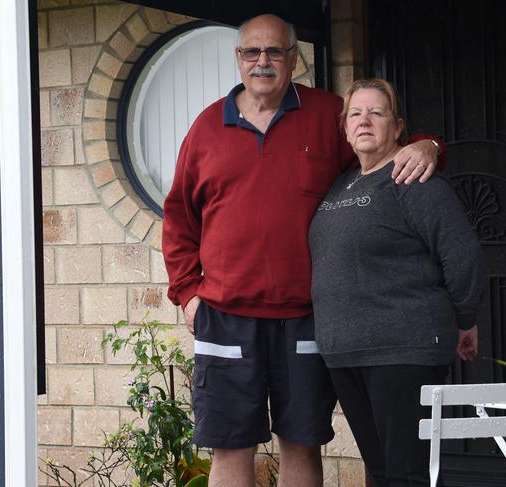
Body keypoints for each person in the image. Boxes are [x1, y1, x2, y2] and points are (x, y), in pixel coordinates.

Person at [162, 15, 443, 487]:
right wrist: (187, 292)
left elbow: (380, 145)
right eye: (252, 53)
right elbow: (178, 218)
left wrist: (430, 147)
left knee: (302, 444)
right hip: (226, 315)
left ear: (294, 58)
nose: (263, 62)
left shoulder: (327, 115)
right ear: (238, 59)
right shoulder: (207, 127)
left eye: (274, 52)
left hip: (310, 317)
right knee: (230, 448)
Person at [308, 78, 485, 487]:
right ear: (345, 128)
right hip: (345, 352)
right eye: (355, 113)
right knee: (383, 470)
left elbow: (461, 253)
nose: (365, 120)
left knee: (405, 473)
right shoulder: (342, 182)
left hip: (403, 348)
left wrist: (465, 317)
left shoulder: (412, 178)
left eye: (377, 112)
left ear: (398, 126)